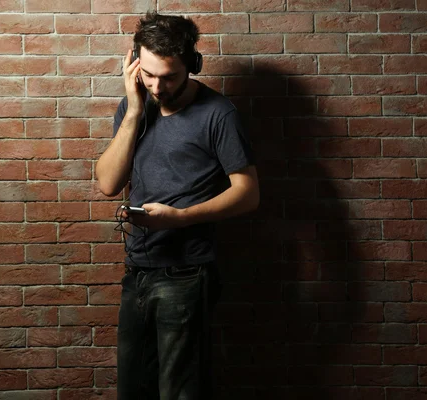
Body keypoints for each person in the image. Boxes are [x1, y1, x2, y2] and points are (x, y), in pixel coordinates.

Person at [95, 11, 259, 400]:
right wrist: (134, 111)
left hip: (187, 274)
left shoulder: (219, 114)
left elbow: (249, 193)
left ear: (192, 65)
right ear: (134, 63)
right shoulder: (134, 106)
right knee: (133, 390)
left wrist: (180, 218)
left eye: (168, 76)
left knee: (179, 392)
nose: (157, 85)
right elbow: (108, 183)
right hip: (137, 271)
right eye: (148, 74)